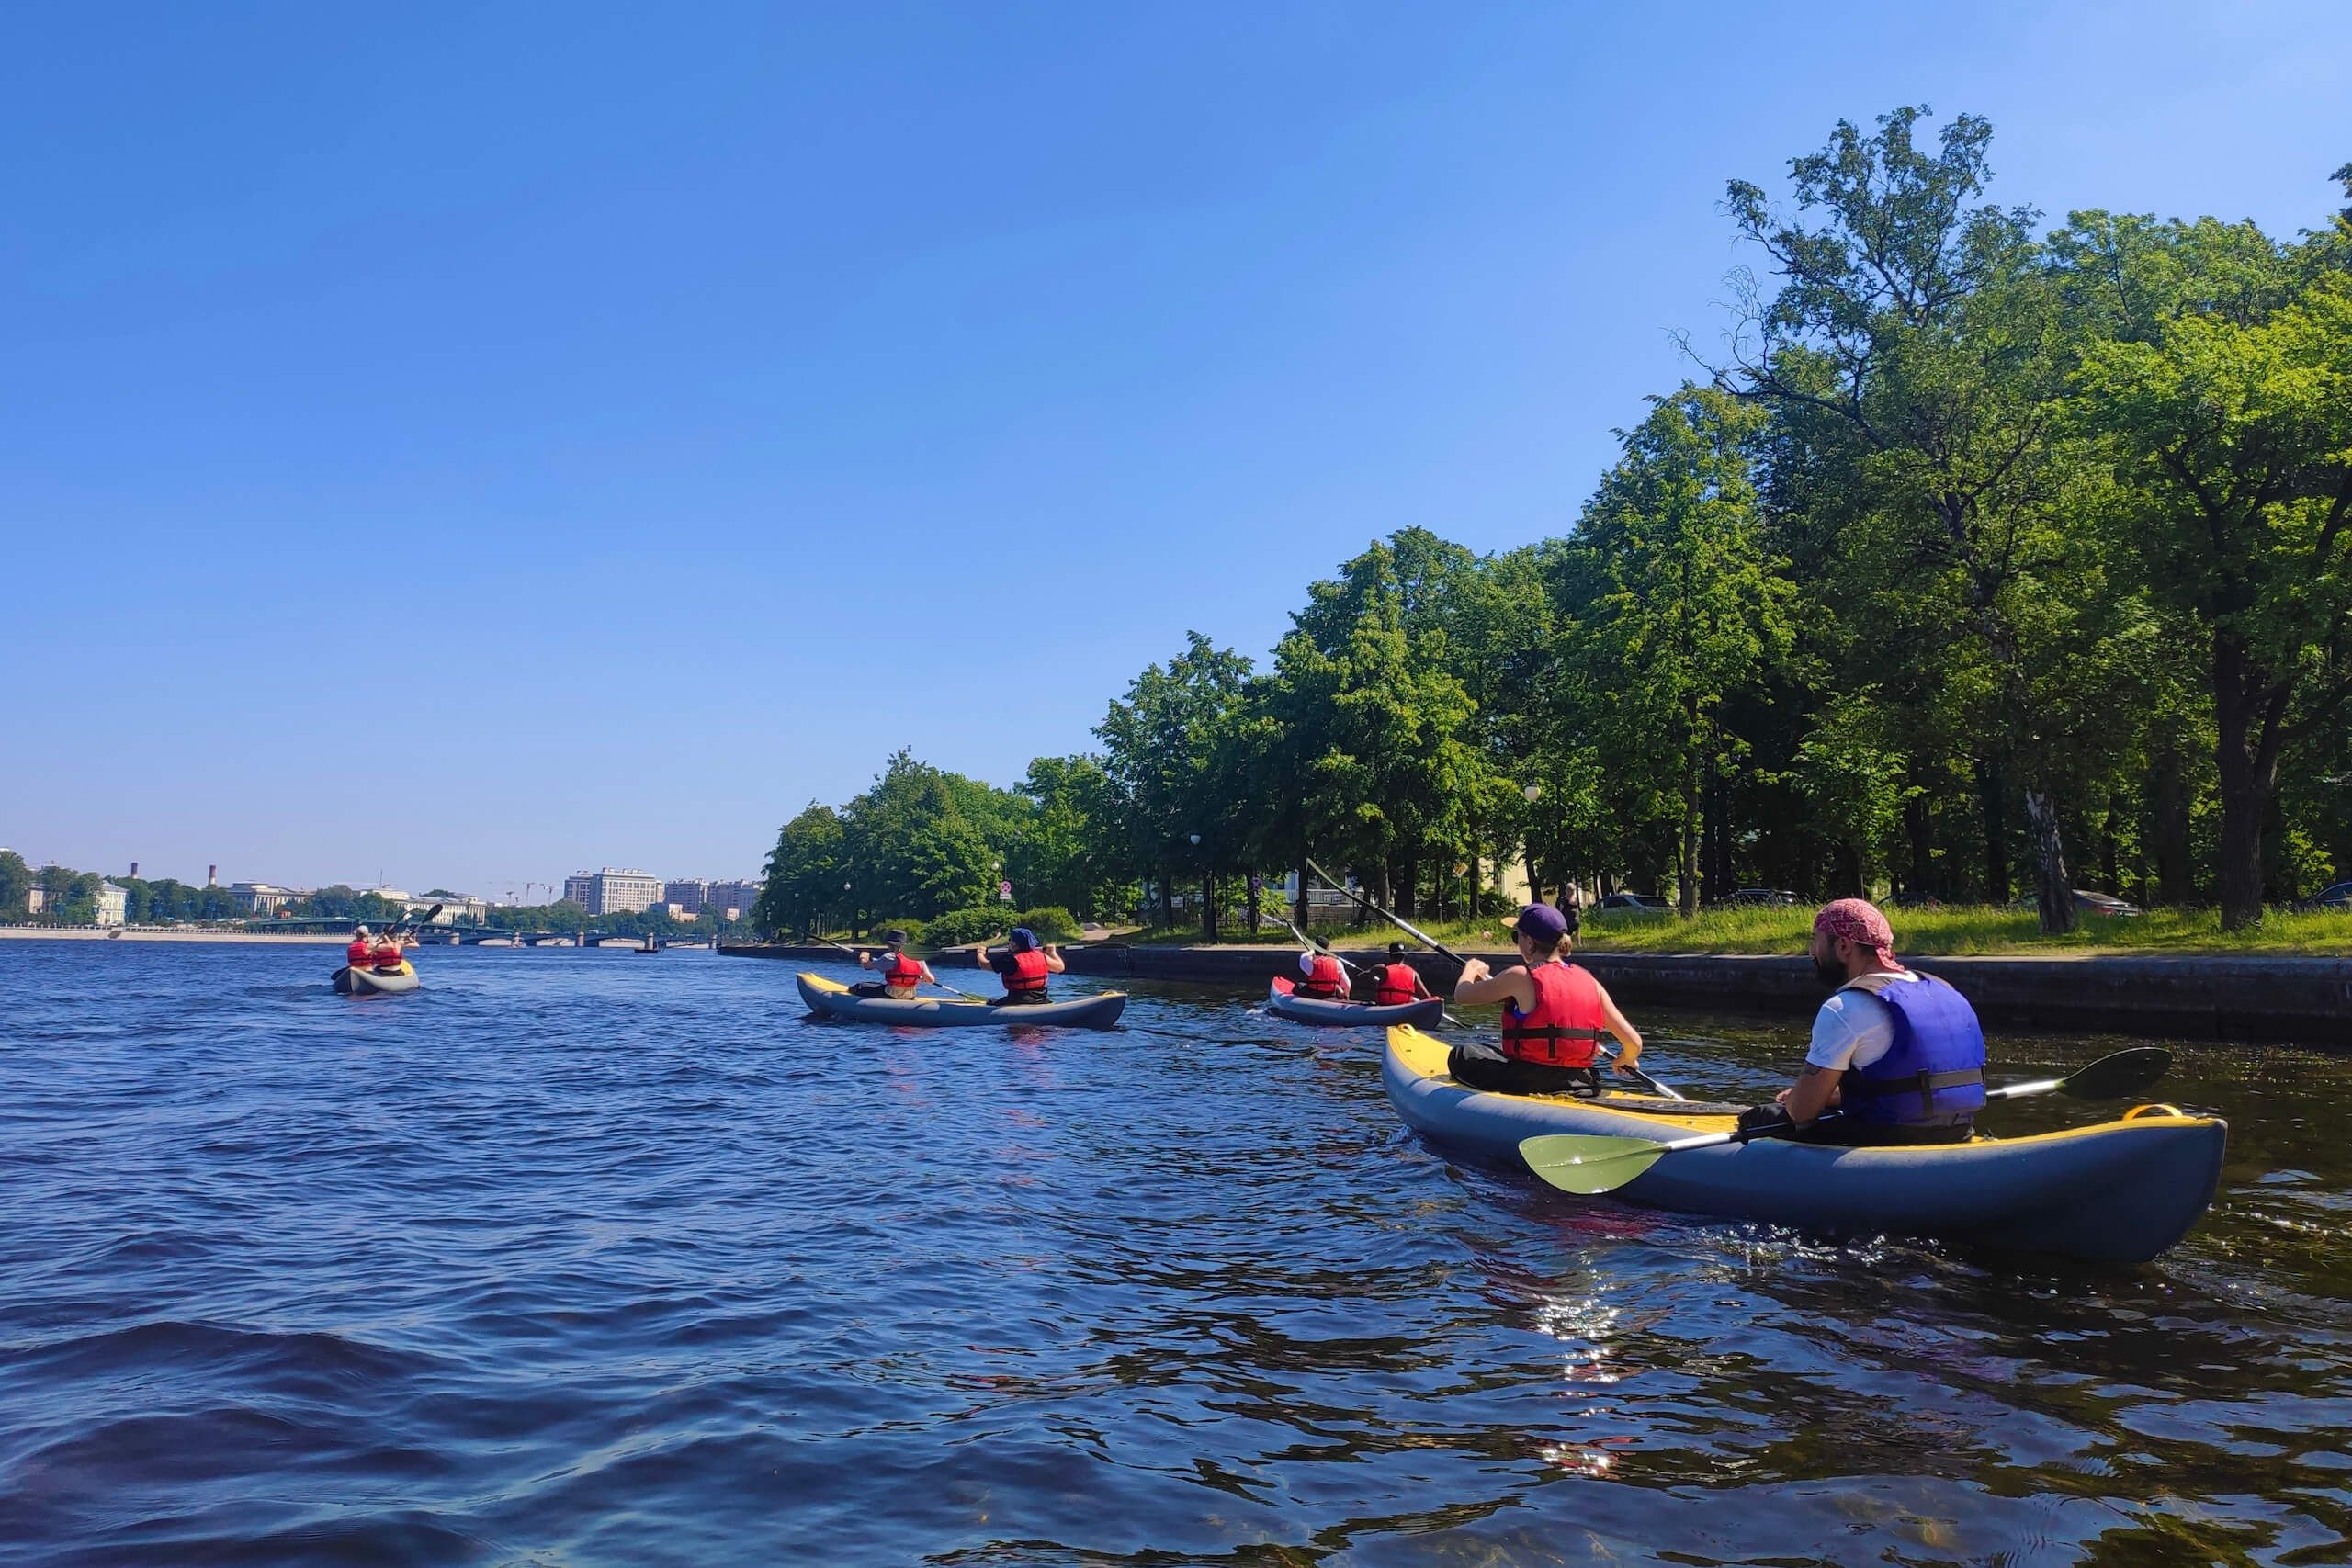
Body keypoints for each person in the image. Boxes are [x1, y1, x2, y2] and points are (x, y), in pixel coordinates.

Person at [1747, 898, 1985, 1145]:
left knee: (1765, 1118)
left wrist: (1800, 1096)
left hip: (1886, 1140)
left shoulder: (1844, 1007)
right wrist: (1831, 1096)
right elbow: (1907, 1087)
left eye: (1815, 940)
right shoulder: (1946, 990)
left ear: (1843, 945)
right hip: (1959, 1132)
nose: (1811, 952)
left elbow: (1801, 1111)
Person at [1449, 902, 1644, 1095]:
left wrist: (1470, 970)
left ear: (1530, 943)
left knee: (1461, 1055)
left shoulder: (1519, 975)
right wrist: (1625, 1059)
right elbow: (1634, 1043)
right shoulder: (1590, 982)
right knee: (1495, 1050)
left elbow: (1462, 995)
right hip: (1581, 1081)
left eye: (1517, 937)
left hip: (1530, 1080)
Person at [976, 926, 1066, 1006]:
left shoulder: (1009, 960)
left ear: (1014, 943)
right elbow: (1060, 968)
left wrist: (980, 953)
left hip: (1016, 1001)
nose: (1009, 943)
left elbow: (984, 965)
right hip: (1041, 1000)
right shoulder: (1041, 956)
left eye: (1010, 940)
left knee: (991, 1003)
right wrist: (1053, 953)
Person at [854, 930, 937, 999]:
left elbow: (867, 966)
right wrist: (917, 978)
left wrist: (864, 957)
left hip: (892, 994)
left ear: (891, 944)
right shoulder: (917, 957)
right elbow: (931, 980)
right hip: (910, 995)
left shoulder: (890, 957)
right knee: (876, 985)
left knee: (860, 986)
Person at [1372, 942, 1435, 1007]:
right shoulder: (1414, 973)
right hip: (1407, 1007)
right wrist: (1433, 1003)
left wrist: (1373, 974)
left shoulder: (1381, 969)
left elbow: (1363, 977)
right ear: (1404, 956)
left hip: (1385, 1007)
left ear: (1390, 955)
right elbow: (1425, 995)